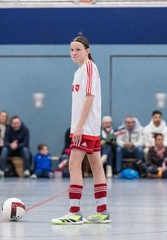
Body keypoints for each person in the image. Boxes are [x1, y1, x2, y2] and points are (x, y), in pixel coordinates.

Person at [52, 36, 110, 225]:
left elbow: (89, 98)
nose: (74, 53)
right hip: (87, 127)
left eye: (78, 49)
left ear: (87, 50)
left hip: (85, 127)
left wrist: (78, 126)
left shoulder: (89, 67)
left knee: (73, 165)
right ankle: (102, 211)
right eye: (71, 50)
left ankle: (74, 212)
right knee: (95, 166)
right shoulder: (78, 72)